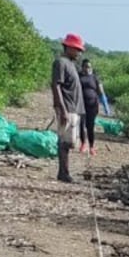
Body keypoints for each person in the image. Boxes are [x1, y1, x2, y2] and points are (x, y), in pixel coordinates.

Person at [51, 33, 85, 183]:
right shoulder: (60, 63)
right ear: (69, 48)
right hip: (67, 107)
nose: (79, 53)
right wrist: (62, 109)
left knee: (70, 142)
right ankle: (63, 173)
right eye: (77, 49)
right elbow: (56, 85)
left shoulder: (71, 65)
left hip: (74, 108)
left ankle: (65, 171)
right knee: (64, 142)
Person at [77, 59, 104, 156]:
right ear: (82, 67)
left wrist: (104, 103)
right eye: (86, 66)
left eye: (89, 67)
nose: (87, 68)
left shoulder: (94, 77)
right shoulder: (79, 76)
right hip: (81, 104)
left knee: (90, 126)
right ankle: (83, 144)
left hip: (92, 105)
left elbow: (100, 91)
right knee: (81, 125)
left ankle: (91, 147)